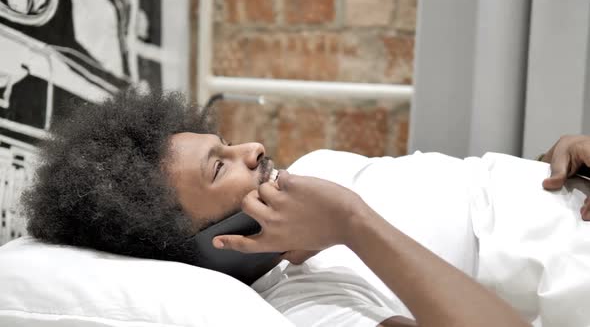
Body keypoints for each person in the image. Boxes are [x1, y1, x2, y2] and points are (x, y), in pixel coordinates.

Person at [23, 90, 589, 327]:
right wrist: (352, 223)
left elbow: (473, 200)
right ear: (201, 240)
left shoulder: (315, 175)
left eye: (225, 143)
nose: (254, 149)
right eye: (221, 167)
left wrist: (553, 164)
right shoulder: (310, 305)